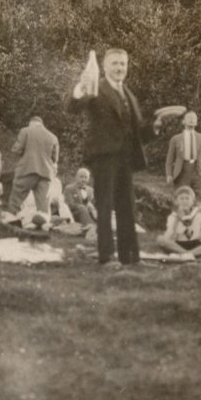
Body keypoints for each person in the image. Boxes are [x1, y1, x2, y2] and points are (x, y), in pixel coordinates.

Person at [66, 48, 162, 266]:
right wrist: (80, 88)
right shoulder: (96, 88)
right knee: (105, 206)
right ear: (105, 66)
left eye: (123, 64)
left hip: (126, 159)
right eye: (115, 64)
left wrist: (154, 128)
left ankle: (131, 258)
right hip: (104, 157)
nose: (120, 68)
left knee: (127, 206)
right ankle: (106, 257)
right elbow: (72, 107)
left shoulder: (129, 95)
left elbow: (138, 131)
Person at [6, 115, 59, 217]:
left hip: (27, 170)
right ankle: (44, 228)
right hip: (46, 174)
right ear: (41, 124)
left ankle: (10, 224)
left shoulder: (25, 130)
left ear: (31, 123)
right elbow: (55, 159)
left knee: (15, 201)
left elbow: (17, 149)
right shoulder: (53, 137)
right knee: (43, 207)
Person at [164, 110, 201, 204]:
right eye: (189, 118)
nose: (192, 119)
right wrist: (169, 175)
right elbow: (169, 160)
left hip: (199, 171)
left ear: (197, 122)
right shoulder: (176, 139)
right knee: (182, 199)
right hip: (182, 172)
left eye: (194, 118)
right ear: (183, 121)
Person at [156, 186, 201, 259]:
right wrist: (177, 220)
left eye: (187, 198)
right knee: (160, 239)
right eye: (181, 198)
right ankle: (188, 254)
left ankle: (187, 254)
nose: (184, 201)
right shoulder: (173, 216)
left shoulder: (200, 215)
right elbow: (169, 236)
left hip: (196, 243)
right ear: (176, 201)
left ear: (192, 201)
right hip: (179, 244)